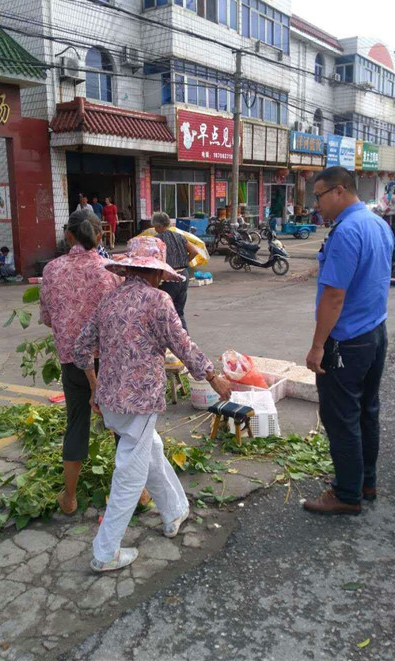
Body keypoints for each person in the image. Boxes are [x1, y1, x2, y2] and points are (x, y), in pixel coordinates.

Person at [74, 236, 231, 572]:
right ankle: (105, 552)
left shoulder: (110, 300)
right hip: (140, 402)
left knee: (151, 451)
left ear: (130, 268)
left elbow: (81, 348)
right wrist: (213, 377)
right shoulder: (158, 301)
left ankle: (174, 510)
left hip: (111, 400)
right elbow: (183, 345)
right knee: (130, 473)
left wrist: (94, 387)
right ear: (155, 272)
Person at [304, 166, 394, 516]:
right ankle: (365, 482)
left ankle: (346, 494)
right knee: (367, 411)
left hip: (347, 341)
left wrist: (317, 347)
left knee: (341, 416)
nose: (318, 205)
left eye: (320, 196)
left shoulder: (346, 232)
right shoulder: (378, 225)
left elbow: (334, 297)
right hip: (375, 333)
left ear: (340, 191)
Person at [40, 209, 122, 516]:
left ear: (68, 236)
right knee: (120, 424)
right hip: (110, 361)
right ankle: (137, 492)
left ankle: (70, 498)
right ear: (99, 236)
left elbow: (48, 318)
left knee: (76, 423)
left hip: (72, 363)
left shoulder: (51, 270)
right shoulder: (111, 270)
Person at [152, 211, 202, 332]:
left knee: (164, 312)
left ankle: (167, 342)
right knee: (179, 312)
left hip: (169, 277)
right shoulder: (180, 236)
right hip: (183, 275)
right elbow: (194, 251)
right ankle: (185, 341)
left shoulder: (157, 240)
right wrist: (185, 263)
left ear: (158, 226)